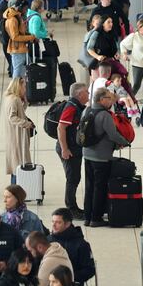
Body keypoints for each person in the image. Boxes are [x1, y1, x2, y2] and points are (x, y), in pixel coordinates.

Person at [82, 88, 131, 227]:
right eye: (109, 98)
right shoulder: (104, 115)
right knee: (100, 187)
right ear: (101, 100)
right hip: (101, 157)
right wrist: (125, 142)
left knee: (89, 186)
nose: (111, 101)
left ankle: (87, 216)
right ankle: (96, 218)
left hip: (87, 154)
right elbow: (113, 134)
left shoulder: (87, 110)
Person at [56, 83, 89, 218]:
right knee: (72, 178)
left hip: (73, 148)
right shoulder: (71, 107)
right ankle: (71, 209)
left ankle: (73, 207)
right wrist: (65, 149)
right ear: (79, 94)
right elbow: (61, 128)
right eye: (86, 92)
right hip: (68, 149)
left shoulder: (77, 106)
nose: (88, 93)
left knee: (75, 177)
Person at [48, 208, 95, 285]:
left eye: (58, 222)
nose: (53, 225)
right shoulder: (48, 240)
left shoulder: (81, 245)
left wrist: (68, 277)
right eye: (53, 221)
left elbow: (89, 270)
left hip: (71, 285)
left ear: (67, 224)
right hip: (48, 284)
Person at [4, 77, 35, 183]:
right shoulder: (14, 99)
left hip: (13, 136)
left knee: (16, 164)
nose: (25, 89)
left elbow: (20, 111)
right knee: (19, 164)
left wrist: (25, 100)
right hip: (17, 136)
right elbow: (12, 117)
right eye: (24, 86)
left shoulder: (10, 98)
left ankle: (15, 189)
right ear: (19, 86)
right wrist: (26, 124)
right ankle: (17, 191)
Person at [4, 0, 36, 78]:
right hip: (17, 49)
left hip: (21, 48)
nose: (26, 10)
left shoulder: (17, 16)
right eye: (25, 8)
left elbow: (20, 32)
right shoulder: (13, 19)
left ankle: (23, 88)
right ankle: (14, 89)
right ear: (20, 7)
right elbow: (15, 37)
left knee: (26, 71)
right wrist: (30, 37)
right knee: (17, 72)